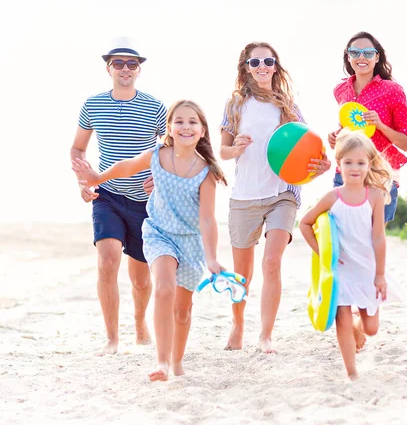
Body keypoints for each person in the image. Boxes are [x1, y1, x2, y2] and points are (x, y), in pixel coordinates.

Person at [73, 100, 227, 381]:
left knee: (182, 310)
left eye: (192, 122)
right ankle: (162, 363)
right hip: (159, 233)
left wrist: (213, 257)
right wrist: (97, 176)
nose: (185, 126)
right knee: (164, 289)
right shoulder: (158, 154)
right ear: (168, 127)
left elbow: (207, 219)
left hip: (190, 241)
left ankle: (177, 361)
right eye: (178, 121)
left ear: (203, 131)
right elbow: (127, 166)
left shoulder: (207, 173)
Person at [219, 41, 331, 353]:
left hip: (282, 194)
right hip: (244, 196)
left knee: (271, 262)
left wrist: (321, 166)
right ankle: (238, 325)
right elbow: (223, 151)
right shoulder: (235, 105)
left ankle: (265, 335)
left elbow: (309, 150)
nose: (263, 67)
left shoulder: (288, 107)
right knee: (242, 274)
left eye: (268, 61)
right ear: (246, 68)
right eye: (255, 63)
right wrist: (236, 148)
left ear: (276, 66)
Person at [70, 37, 167, 355]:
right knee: (107, 261)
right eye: (119, 63)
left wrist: (160, 178)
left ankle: (140, 324)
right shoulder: (93, 104)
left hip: (144, 202)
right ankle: (112, 339)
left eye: (132, 63)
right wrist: (83, 180)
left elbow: (171, 151)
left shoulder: (155, 107)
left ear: (139, 70)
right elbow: (78, 148)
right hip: (107, 196)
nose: (125, 68)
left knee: (140, 279)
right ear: (108, 68)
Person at [300, 129, 399, 380]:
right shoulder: (332, 197)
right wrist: (324, 255)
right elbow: (305, 223)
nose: (354, 168)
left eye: (360, 162)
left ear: (369, 164)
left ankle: (359, 325)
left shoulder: (375, 196)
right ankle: (352, 373)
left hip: (366, 268)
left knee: (371, 328)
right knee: (341, 319)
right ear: (339, 164)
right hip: (340, 269)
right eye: (348, 162)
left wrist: (379, 275)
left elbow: (379, 237)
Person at [327, 31, 407, 224]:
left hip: (380, 175)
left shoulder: (392, 90)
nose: (361, 57)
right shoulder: (341, 90)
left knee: (370, 242)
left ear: (377, 57)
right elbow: (348, 128)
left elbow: (405, 143)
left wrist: (380, 125)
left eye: (367, 52)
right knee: (342, 237)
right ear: (348, 57)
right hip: (346, 173)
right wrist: (336, 137)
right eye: (355, 52)